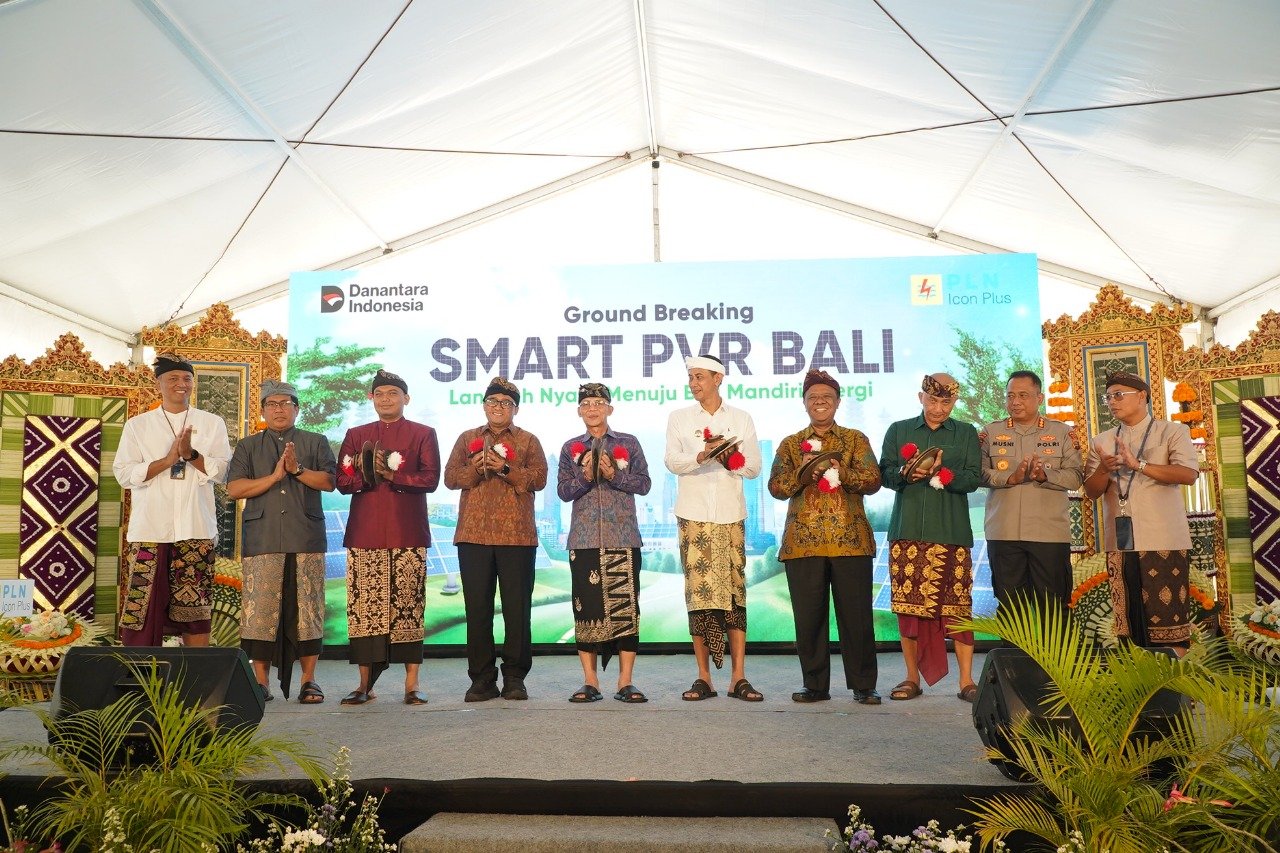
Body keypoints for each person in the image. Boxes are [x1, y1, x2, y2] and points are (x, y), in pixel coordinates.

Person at [768, 369, 883, 705]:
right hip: (803, 543)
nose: (820, 402)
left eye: (827, 397)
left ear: (838, 402)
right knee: (809, 619)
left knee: (857, 618)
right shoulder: (791, 444)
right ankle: (815, 685)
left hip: (851, 541)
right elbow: (776, 487)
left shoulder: (855, 439)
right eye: (813, 398)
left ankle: (864, 685)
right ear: (804, 403)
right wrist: (803, 471)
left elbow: (873, 480)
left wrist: (839, 470)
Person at [227, 379, 336, 704]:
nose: (279, 409)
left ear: (297, 409)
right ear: (262, 411)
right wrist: (274, 477)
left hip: (305, 536)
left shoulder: (315, 441)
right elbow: (235, 489)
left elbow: (329, 482)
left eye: (286, 404)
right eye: (272, 404)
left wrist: (296, 469)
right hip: (262, 537)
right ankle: (261, 682)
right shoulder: (248, 446)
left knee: (308, 609)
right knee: (260, 611)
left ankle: (309, 680)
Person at [335, 369, 441, 705]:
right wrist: (369, 475)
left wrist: (393, 476)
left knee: (409, 607)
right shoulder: (356, 435)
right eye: (379, 394)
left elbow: (430, 479)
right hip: (365, 532)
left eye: (392, 393)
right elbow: (342, 481)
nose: (385, 399)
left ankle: (412, 684)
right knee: (364, 610)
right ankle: (364, 684)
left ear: (405, 398)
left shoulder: (423, 433)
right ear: (371, 398)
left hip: (407, 531)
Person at [113, 352, 231, 647]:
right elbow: (124, 474)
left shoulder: (212, 423)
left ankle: (194, 673)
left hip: (196, 527)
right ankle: (141, 674)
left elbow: (222, 472)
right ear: (158, 384)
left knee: (196, 611)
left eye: (187, 378)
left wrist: (190, 455)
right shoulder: (138, 425)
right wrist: (167, 460)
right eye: (173, 378)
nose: (181, 384)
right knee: (142, 609)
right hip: (150, 530)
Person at [663, 353, 764, 702]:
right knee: (699, 595)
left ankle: (738, 677)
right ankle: (703, 677)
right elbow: (671, 461)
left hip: (731, 515)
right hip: (693, 517)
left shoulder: (741, 418)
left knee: (735, 593)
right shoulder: (679, 418)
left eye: (700, 377)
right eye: (691, 377)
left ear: (718, 379)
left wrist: (729, 458)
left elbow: (754, 467)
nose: (693, 383)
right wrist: (701, 456)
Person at [443, 376, 548, 702]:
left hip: (517, 536)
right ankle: (482, 679)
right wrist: (475, 469)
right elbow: (450, 478)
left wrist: (504, 468)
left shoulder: (528, 440)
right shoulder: (468, 438)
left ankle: (515, 678)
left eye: (506, 403)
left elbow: (539, 479)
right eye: (493, 402)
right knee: (477, 610)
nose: (498, 407)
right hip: (473, 535)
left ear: (515, 409)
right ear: (484, 406)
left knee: (517, 611)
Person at [880, 373, 982, 702]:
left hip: (951, 532)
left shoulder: (965, 432)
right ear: (920, 397)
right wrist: (906, 472)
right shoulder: (899, 430)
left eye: (946, 402)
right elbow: (884, 474)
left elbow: (972, 479)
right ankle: (912, 678)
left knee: (958, 607)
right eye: (933, 400)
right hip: (907, 532)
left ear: (954, 401)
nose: (938, 408)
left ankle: (966, 681)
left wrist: (941, 473)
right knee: (908, 610)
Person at [1083, 372, 1198, 650]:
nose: (1112, 402)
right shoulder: (1102, 441)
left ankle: (1172, 677)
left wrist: (1139, 466)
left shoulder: (1172, 431)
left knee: (1169, 623)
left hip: (1164, 540)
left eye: (1118, 395)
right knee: (1129, 624)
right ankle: (1137, 676)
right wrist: (1103, 469)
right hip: (1121, 542)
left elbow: (1188, 474)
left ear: (1142, 396)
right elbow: (1092, 491)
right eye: (1108, 397)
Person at [556, 382, 652, 703]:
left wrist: (614, 475)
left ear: (610, 408)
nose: (592, 409)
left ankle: (626, 681)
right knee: (585, 610)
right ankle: (590, 681)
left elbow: (644, 484)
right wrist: (585, 476)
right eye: (586, 404)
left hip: (623, 536)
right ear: (579, 411)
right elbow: (563, 491)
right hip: (583, 539)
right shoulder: (570, 448)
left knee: (627, 609)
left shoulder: (628, 442)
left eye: (598, 403)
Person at [980, 370, 1083, 618]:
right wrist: (1009, 478)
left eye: (1023, 395)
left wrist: (1046, 476)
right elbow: (977, 474)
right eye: (1010, 396)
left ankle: (1054, 647)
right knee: (1011, 611)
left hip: (1048, 535)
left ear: (1039, 398)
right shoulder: (990, 433)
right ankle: (1012, 647)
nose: (1015, 402)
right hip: (1003, 533)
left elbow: (1076, 477)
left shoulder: (1062, 432)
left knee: (1054, 609)